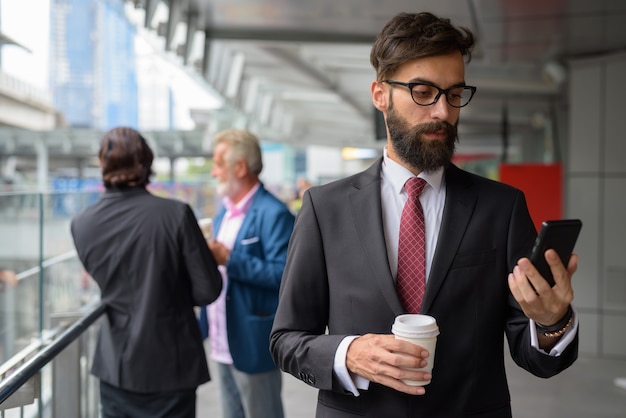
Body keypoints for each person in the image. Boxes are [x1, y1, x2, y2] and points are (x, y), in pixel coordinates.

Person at [270, 12, 579, 418]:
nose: (442, 111)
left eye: (454, 93)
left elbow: (536, 356)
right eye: (423, 91)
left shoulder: (500, 208)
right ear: (380, 94)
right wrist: (350, 354)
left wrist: (551, 321)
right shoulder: (324, 208)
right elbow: (286, 339)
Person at [70, 127, 222, 418]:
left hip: (117, 364)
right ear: (148, 163)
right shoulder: (175, 214)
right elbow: (207, 290)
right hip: (171, 363)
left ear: (102, 164)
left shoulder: (82, 223)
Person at [200, 129, 295, 418]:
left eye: (218, 163)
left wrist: (227, 258)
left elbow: (284, 276)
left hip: (252, 339)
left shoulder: (274, 213)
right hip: (222, 338)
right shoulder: (224, 212)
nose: (214, 172)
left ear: (239, 167)